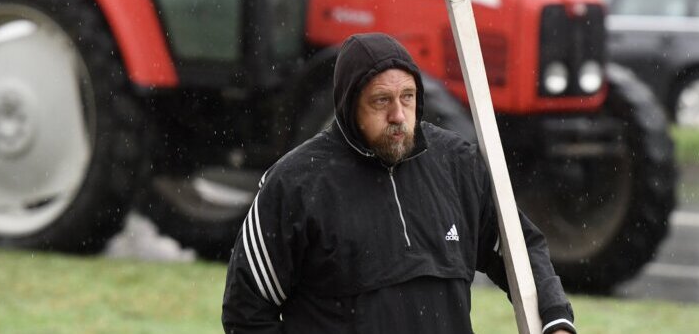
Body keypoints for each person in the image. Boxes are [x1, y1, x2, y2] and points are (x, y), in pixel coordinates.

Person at [222, 32, 577, 334]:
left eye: (407, 96)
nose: (398, 115)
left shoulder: (458, 166)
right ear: (349, 105)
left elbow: (520, 249)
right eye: (381, 100)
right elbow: (246, 310)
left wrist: (555, 319)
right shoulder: (294, 184)